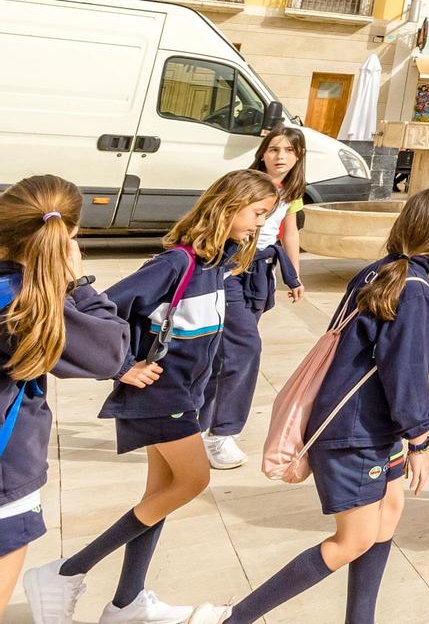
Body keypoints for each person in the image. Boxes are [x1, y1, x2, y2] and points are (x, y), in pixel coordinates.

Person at [189, 192, 429, 624]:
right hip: (356, 431)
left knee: (387, 517)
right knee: (352, 540)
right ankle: (233, 618)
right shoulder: (414, 290)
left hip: (372, 426)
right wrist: (420, 439)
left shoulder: (381, 272)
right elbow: (405, 375)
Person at [28, 171, 275, 624]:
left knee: (161, 494)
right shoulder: (175, 263)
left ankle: (126, 602)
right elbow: (99, 312)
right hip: (160, 396)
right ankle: (66, 571)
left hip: (183, 397)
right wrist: (125, 368)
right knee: (192, 482)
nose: (258, 225)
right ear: (229, 205)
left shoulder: (215, 266)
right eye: (257, 213)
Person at [0, 178, 130, 619]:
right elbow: (110, 353)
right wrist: (78, 285)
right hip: (4, 469)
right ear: (67, 237)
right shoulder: (26, 307)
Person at [200, 127, 308, 471]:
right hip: (229, 271)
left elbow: (288, 231)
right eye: (274, 148)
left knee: (228, 351)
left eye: (289, 150)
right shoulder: (245, 183)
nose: (281, 156)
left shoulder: (293, 191)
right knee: (245, 346)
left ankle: (199, 423)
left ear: (298, 156)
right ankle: (220, 432)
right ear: (262, 152)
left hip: (260, 274)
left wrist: (294, 274)